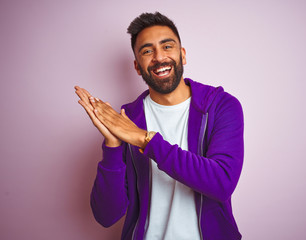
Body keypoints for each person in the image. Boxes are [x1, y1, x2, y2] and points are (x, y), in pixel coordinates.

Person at [75, 12, 244, 240]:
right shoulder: (126, 120)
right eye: (147, 51)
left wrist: (145, 140)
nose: (159, 57)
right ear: (137, 66)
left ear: (182, 55)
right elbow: (107, 215)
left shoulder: (220, 106)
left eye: (167, 46)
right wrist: (113, 145)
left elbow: (221, 182)